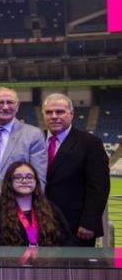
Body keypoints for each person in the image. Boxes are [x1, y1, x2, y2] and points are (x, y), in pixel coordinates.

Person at [0, 87, 47, 243]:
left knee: (4, 251)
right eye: (0, 102)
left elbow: (39, 178)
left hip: (10, 204)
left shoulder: (32, 134)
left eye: (10, 102)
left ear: (17, 106)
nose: (5, 107)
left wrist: (33, 210)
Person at [41, 93, 109, 247]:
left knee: (75, 270)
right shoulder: (36, 140)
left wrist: (89, 222)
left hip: (76, 227)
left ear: (71, 113)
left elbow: (99, 187)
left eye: (60, 112)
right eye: (49, 112)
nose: (54, 116)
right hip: (40, 223)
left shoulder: (90, 143)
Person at [0, 161, 72, 247]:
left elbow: (68, 241)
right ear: (9, 182)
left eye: (29, 177)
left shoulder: (50, 208)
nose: (24, 181)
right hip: (11, 260)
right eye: (18, 177)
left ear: (36, 181)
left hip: (46, 259)